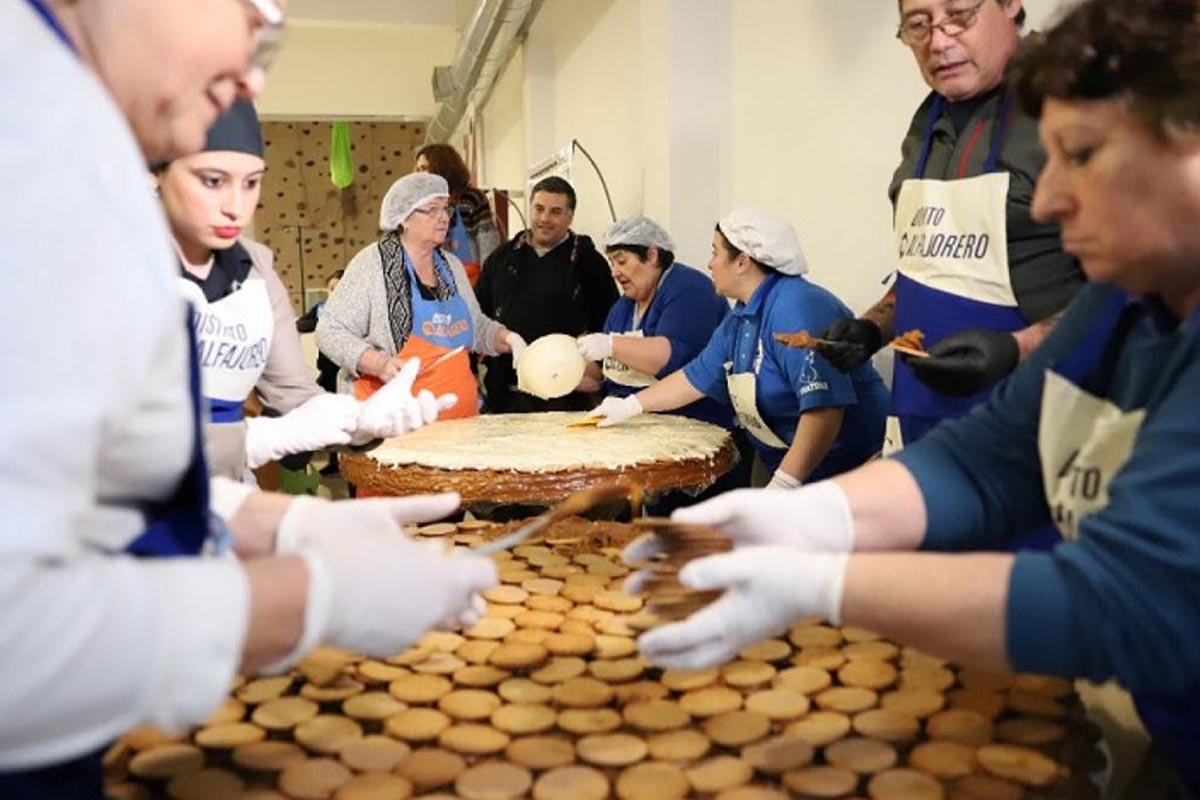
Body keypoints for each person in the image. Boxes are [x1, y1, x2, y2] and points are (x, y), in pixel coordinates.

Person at [629, 1, 1200, 794]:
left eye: (1082, 155)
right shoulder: (1125, 302)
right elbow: (989, 460)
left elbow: (1128, 603)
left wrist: (821, 582)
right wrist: (810, 517)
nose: (1046, 201)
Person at [0, 1, 494, 794]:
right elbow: (20, 638)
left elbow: (109, 477)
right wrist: (311, 598)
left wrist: (289, 517)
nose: (254, 76)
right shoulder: (27, 145)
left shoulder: (79, 143)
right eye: (251, 15)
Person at [819, 0, 1085, 450]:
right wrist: (873, 327)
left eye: (959, 15)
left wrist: (1017, 348)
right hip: (922, 418)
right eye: (918, 25)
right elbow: (934, 261)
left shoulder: (1070, 104)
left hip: (1040, 419)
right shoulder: (926, 123)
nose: (939, 42)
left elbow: (1127, 294)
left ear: (1011, 5)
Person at [162, 102, 428, 479]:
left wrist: (358, 423)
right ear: (156, 172)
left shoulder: (254, 271)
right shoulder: (106, 269)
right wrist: (257, 440)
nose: (236, 207)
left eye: (251, 182)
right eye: (213, 181)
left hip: (227, 492)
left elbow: (294, 395)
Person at [589, 210, 889, 488]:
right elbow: (694, 377)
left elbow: (824, 409)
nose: (709, 264)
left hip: (847, 470)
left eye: (715, 253)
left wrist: (786, 482)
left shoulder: (797, 308)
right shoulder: (741, 316)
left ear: (742, 262)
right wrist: (630, 406)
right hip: (785, 460)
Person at [316, 172, 524, 418]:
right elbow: (329, 331)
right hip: (394, 421)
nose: (444, 217)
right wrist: (378, 364)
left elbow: (474, 327)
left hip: (460, 421)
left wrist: (507, 338)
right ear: (404, 218)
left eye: (446, 209)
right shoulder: (372, 266)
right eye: (432, 210)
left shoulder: (451, 266)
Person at [578, 217, 749, 509]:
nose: (615, 272)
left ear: (652, 254)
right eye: (611, 263)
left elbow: (672, 357)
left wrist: (612, 344)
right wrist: (562, 370)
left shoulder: (689, 290)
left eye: (621, 261)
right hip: (648, 449)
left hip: (697, 447)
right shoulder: (623, 308)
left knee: (697, 531)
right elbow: (603, 376)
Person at [475, 176, 619, 413]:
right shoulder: (500, 260)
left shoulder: (590, 264)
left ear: (570, 217)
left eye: (555, 212)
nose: (544, 218)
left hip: (570, 398)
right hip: (508, 395)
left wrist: (598, 375)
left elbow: (610, 325)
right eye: (539, 209)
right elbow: (477, 319)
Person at [415, 143, 500, 286]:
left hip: (473, 283)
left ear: (441, 168)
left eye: (424, 168)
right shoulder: (422, 205)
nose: (418, 175)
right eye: (417, 169)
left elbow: (488, 246)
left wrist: (487, 284)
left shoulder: (471, 199)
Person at [296, 270, 344, 394]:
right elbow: (300, 324)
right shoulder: (321, 308)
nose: (334, 293)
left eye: (339, 289)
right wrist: (321, 321)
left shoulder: (354, 310)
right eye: (331, 289)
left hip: (345, 367)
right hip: (326, 367)